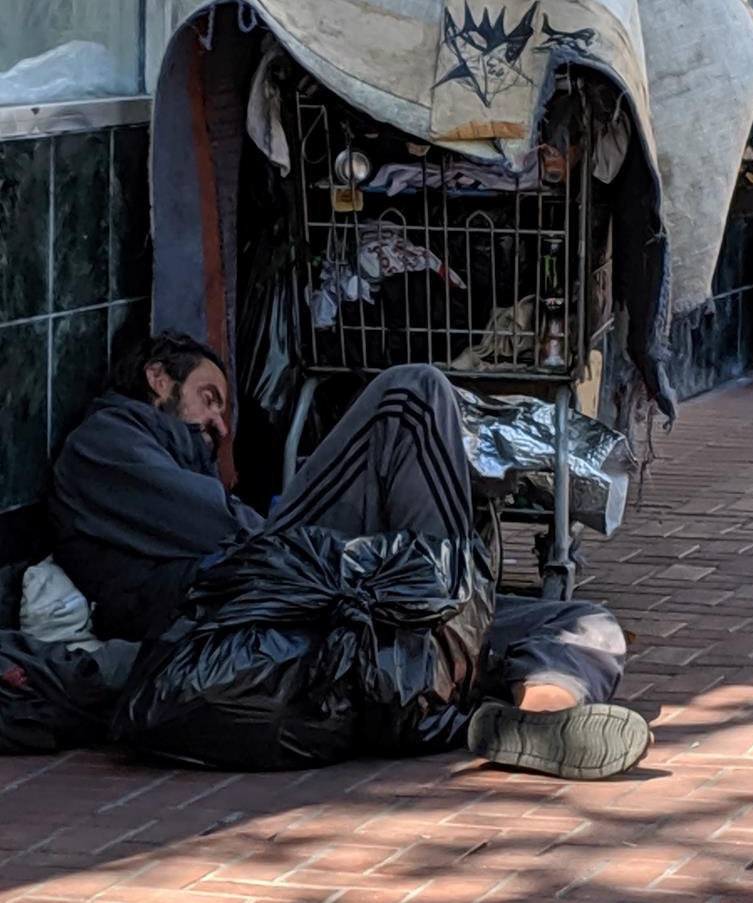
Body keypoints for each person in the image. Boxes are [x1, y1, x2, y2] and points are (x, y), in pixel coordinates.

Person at [50, 332, 653, 780]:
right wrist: (368, 547)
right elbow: (229, 536)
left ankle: (537, 719)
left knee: (581, 620)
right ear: (158, 379)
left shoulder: (178, 456)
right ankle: (441, 626)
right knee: (411, 395)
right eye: (210, 398)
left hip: (291, 594)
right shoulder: (106, 443)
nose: (219, 423)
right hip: (240, 597)